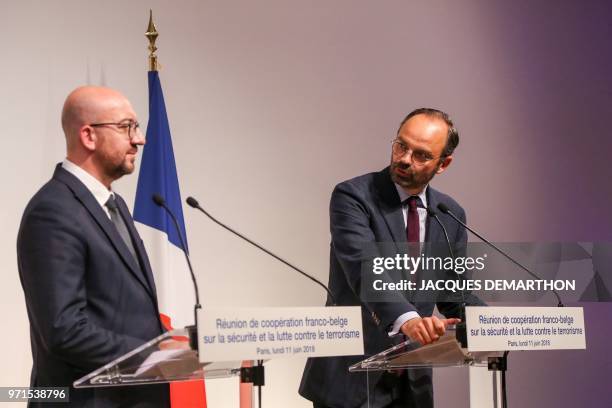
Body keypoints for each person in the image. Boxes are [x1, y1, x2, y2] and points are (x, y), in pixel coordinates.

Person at [299, 108, 484, 408]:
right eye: (401, 145)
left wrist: (499, 324)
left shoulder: (450, 214)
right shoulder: (354, 197)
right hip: (349, 379)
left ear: (444, 163)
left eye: (422, 154)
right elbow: (365, 268)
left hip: (413, 386)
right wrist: (409, 319)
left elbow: (454, 295)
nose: (404, 158)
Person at [17, 86, 169, 407]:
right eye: (126, 127)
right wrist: (152, 355)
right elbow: (64, 330)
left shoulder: (115, 205)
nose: (139, 139)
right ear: (89, 136)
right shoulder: (53, 211)